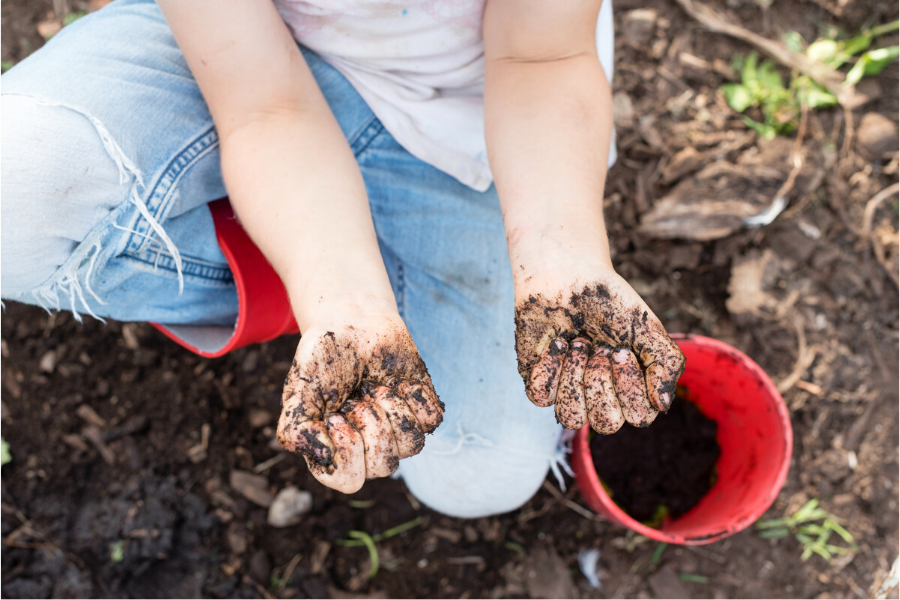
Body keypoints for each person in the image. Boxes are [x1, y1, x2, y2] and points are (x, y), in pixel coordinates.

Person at [1, 0, 685, 518]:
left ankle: (368, 268)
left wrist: (560, 258)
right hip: (253, 69)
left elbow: (542, 62)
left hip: (478, 113)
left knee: (482, 474)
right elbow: (266, 107)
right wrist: (340, 299)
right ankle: (309, 280)